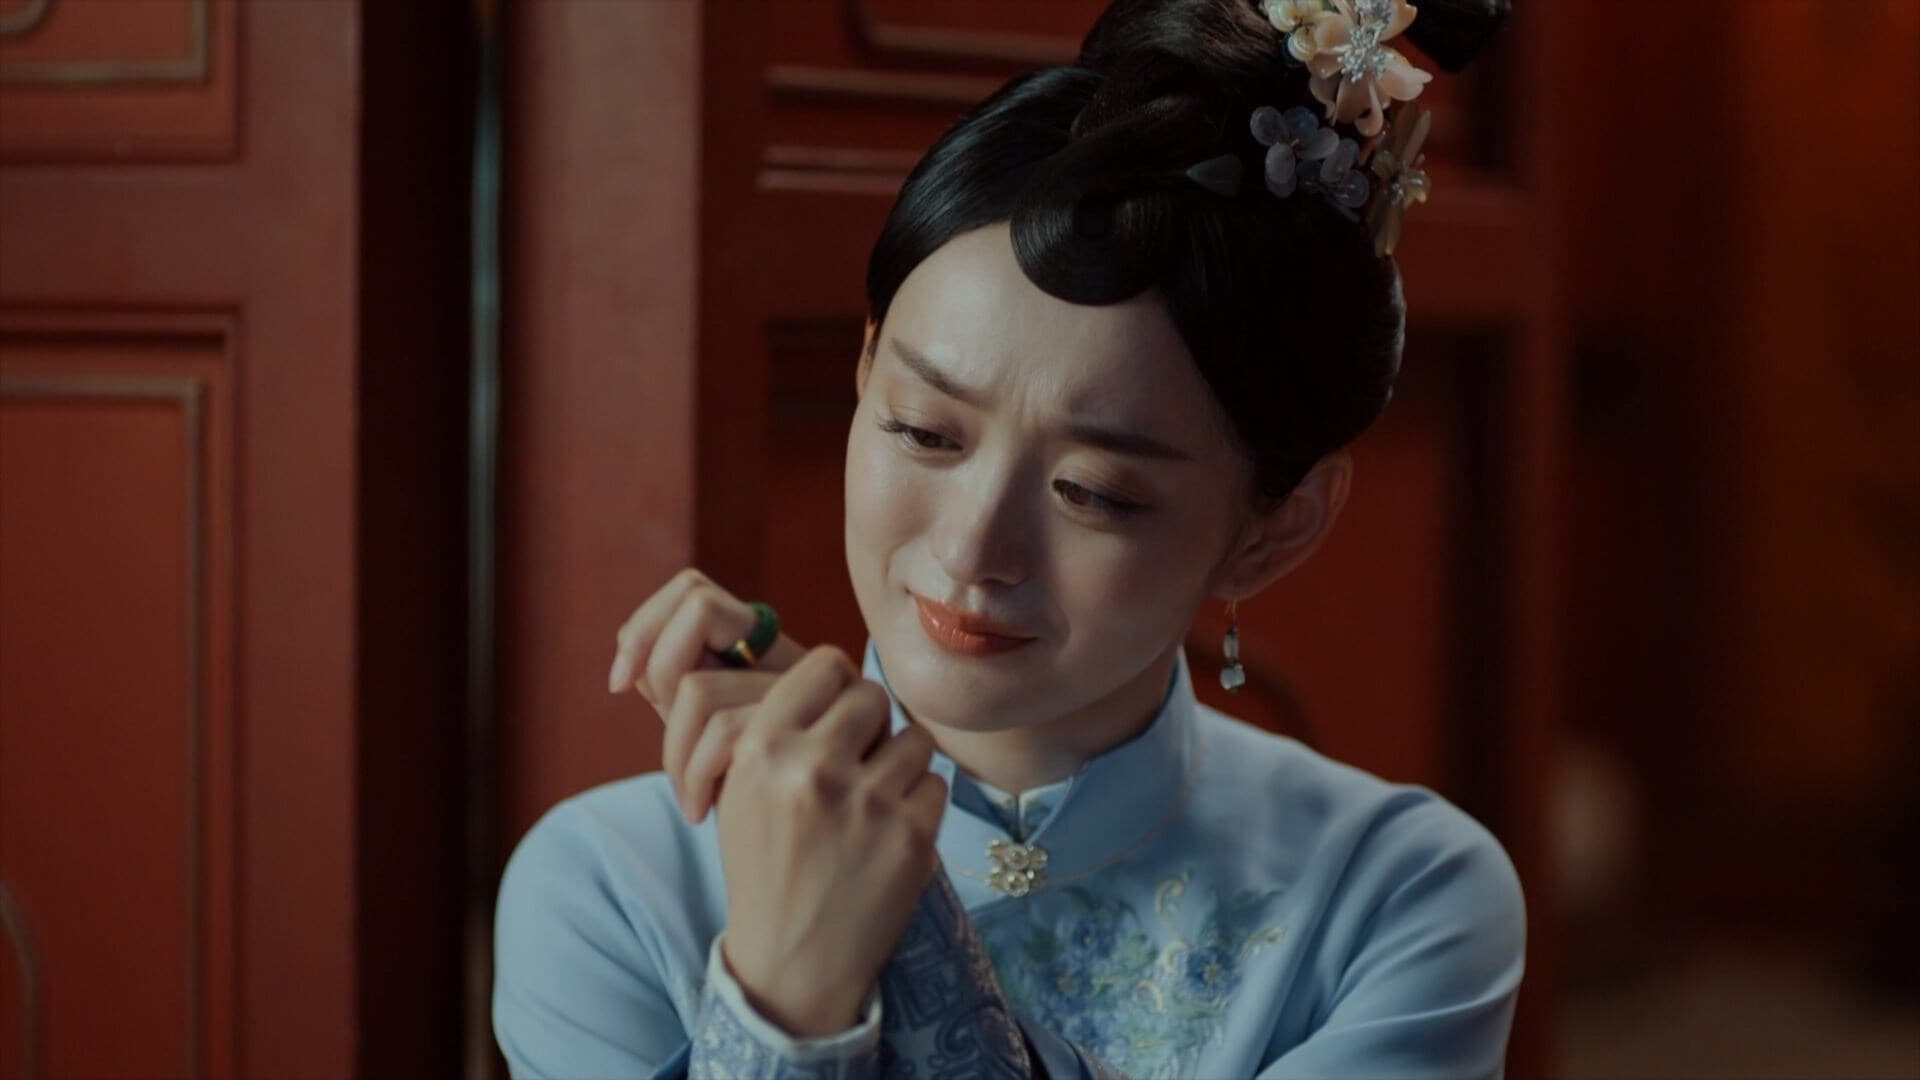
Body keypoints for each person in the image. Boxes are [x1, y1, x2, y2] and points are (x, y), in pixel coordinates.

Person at [492, 0, 1524, 1076]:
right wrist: (784, 998)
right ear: (864, 372)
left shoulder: (1396, 897)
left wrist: (870, 945)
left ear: (1276, 527)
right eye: (923, 431)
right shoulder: (613, 883)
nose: (972, 548)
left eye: (1094, 493)